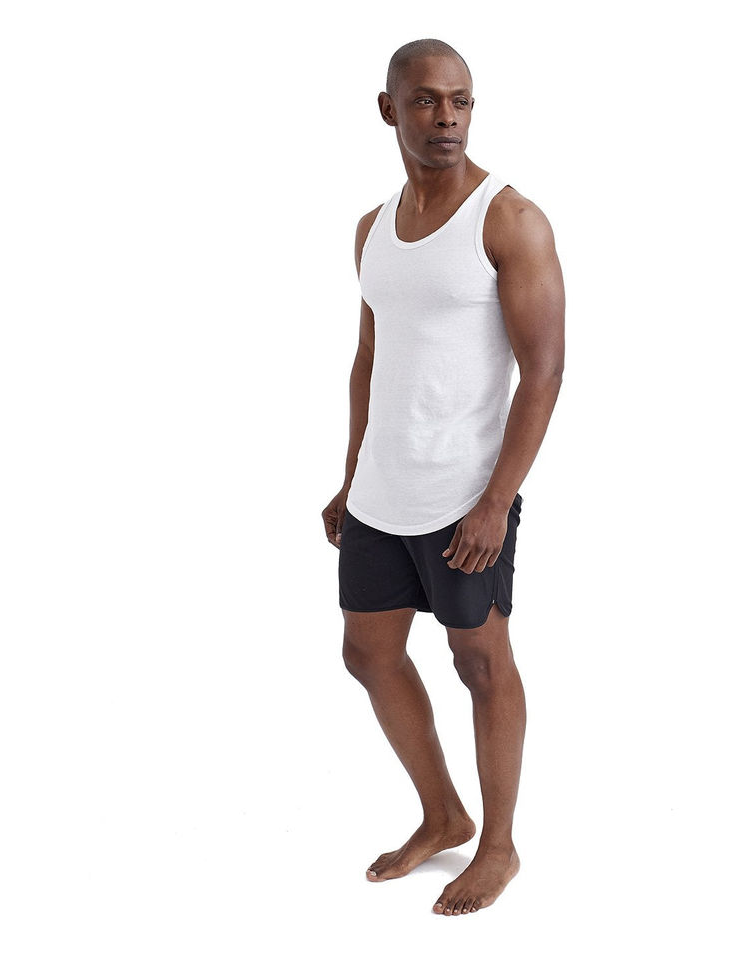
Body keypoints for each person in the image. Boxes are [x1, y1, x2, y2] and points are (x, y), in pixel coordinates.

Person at [322, 38, 565, 916]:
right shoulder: (372, 229)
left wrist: (496, 502)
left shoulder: (510, 219)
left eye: (460, 100)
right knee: (367, 652)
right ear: (389, 109)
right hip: (382, 489)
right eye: (426, 100)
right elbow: (371, 357)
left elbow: (544, 371)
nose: (447, 117)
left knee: (480, 662)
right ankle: (443, 814)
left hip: (465, 495)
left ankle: (498, 846)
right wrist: (349, 475)